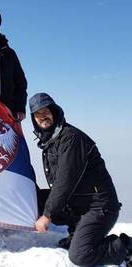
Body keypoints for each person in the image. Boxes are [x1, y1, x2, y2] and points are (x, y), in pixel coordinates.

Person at [30, 92, 132, 267]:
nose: (42, 117)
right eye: (37, 114)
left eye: (45, 111)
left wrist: (47, 215)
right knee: (33, 197)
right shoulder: (52, 140)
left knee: (80, 256)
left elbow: (65, 181)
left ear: (54, 111)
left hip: (99, 207)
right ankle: (77, 232)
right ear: (34, 119)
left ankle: (126, 247)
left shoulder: (71, 138)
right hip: (80, 202)